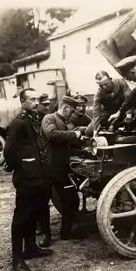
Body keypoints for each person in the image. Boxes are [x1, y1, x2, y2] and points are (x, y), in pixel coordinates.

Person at [3, 88, 54, 271]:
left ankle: (31, 248)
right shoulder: (18, 123)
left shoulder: (35, 119)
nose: (35, 102)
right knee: (21, 218)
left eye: (36, 99)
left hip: (39, 177)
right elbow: (9, 152)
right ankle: (17, 260)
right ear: (23, 102)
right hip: (27, 178)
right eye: (31, 100)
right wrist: (23, 166)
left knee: (34, 213)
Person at [41, 96, 87, 240]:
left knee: (70, 199)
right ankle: (45, 234)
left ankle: (66, 231)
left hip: (61, 168)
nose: (72, 114)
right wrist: (74, 134)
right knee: (42, 203)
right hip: (47, 168)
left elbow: (70, 142)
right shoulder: (49, 118)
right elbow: (52, 134)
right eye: (71, 110)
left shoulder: (66, 122)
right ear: (65, 107)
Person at [85, 71, 132, 136]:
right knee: (88, 132)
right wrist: (95, 132)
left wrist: (129, 114)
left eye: (106, 84)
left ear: (110, 79)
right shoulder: (98, 93)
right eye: (101, 86)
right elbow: (96, 114)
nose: (104, 87)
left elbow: (129, 99)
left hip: (123, 110)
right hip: (108, 114)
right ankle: (108, 128)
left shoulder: (121, 83)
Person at [33, 92, 53, 248]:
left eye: (48, 104)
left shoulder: (47, 119)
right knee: (36, 198)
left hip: (46, 164)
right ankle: (40, 229)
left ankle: (46, 233)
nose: (47, 107)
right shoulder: (32, 121)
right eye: (44, 104)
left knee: (43, 199)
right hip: (34, 164)